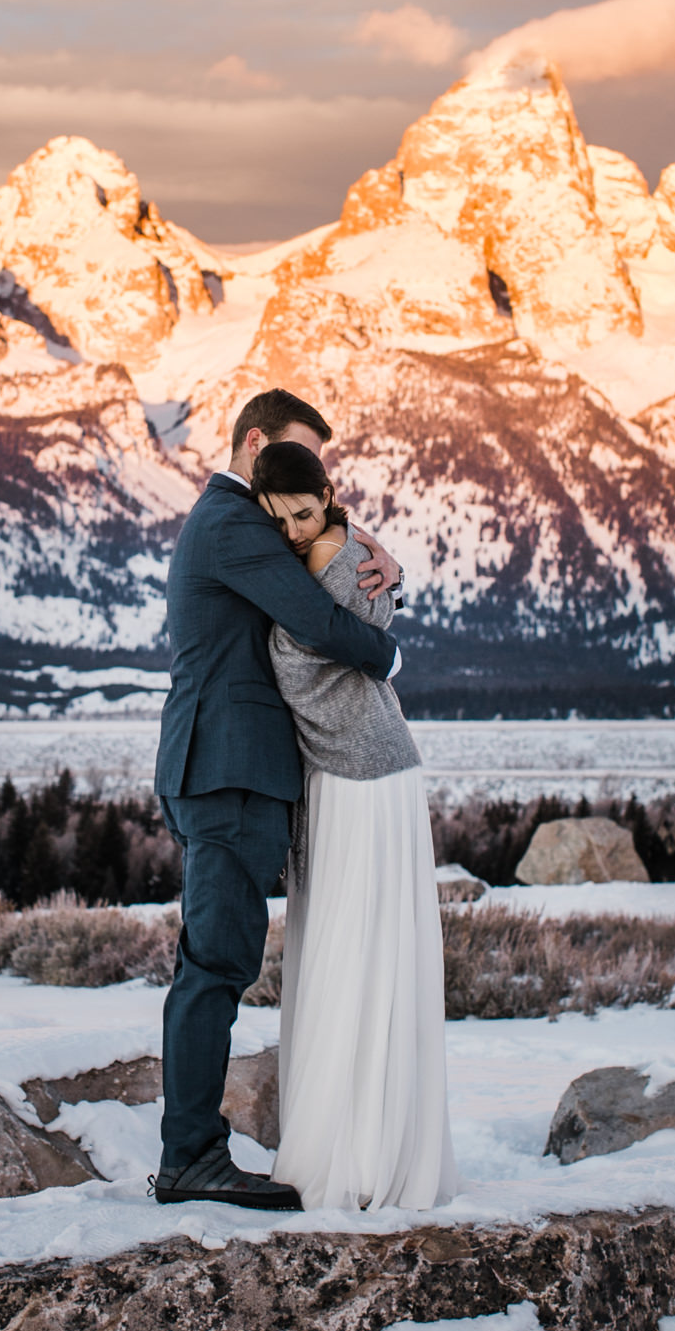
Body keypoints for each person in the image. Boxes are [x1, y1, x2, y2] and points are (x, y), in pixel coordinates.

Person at [153, 389, 404, 1209]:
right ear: (253, 442)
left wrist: (372, 550)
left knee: (217, 960)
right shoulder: (230, 524)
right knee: (215, 964)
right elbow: (321, 623)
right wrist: (389, 654)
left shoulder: (247, 520)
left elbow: (316, 533)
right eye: (292, 455)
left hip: (234, 769)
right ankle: (189, 1157)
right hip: (226, 770)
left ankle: (193, 1152)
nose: (304, 485)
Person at [251, 440, 456, 1211]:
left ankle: (358, 1156)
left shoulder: (342, 556)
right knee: (360, 953)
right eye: (278, 519)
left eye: (303, 512)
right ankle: (372, 1144)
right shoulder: (347, 553)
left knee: (358, 953)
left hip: (362, 773)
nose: (295, 530)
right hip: (353, 771)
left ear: (328, 495)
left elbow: (315, 660)